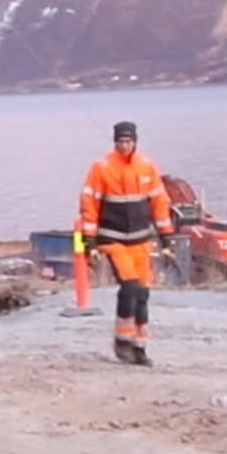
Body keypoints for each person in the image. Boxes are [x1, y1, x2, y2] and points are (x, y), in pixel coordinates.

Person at [78, 120, 175, 365]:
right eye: (120, 141)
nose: (124, 145)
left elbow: (160, 206)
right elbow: (89, 207)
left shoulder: (147, 167)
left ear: (135, 141)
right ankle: (122, 341)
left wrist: (168, 241)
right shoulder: (101, 168)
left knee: (142, 294)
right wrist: (89, 245)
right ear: (115, 142)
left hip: (141, 241)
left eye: (128, 141)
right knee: (130, 288)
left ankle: (139, 347)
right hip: (113, 239)